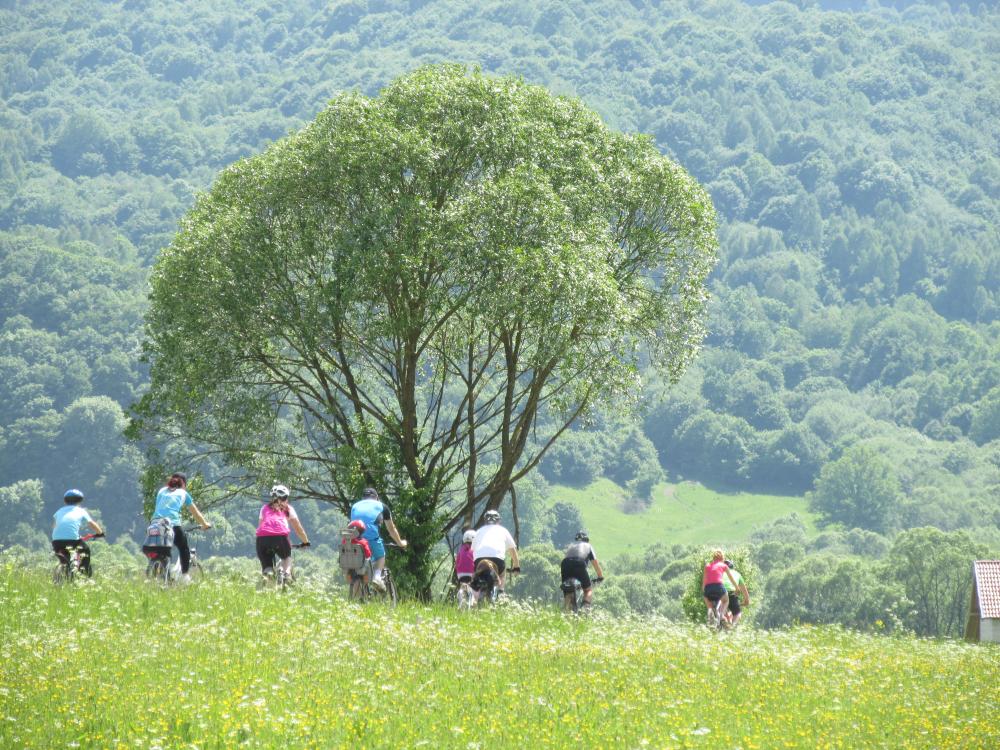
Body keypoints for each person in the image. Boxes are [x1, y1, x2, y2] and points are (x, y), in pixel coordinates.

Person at [150, 472, 211, 584]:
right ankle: (185, 576)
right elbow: (196, 513)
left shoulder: (161, 491)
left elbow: (159, 508)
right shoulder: (183, 493)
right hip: (172, 524)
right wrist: (205, 524)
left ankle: (162, 576)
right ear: (183, 484)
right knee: (184, 548)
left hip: (155, 524)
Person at [350, 487, 407, 592]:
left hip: (354, 541)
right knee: (381, 556)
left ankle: (354, 599)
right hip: (371, 540)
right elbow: (391, 529)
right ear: (376, 497)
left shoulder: (355, 506)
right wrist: (400, 543)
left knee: (358, 571)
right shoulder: (382, 506)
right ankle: (377, 577)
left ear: (363, 498)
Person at [256, 484, 310, 583]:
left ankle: (267, 580)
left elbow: (260, 526)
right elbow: (298, 529)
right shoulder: (288, 509)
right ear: (281, 499)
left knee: (267, 567)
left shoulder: (264, 508)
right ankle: (286, 574)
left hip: (261, 539)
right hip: (280, 537)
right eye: (285, 498)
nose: (287, 500)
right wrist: (305, 542)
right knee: (286, 558)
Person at [52, 489, 104, 577]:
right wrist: (100, 533)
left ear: (65, 501)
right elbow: (91, 523)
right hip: (72, 540)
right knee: (85, 550)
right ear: (80, 501)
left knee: (64, 557)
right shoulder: (81, 511)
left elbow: (54, 526)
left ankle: (62, 571)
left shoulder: (59, 511)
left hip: (56, 541)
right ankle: (84, 574)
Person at [471, 509, 520, 596]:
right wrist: (516, 566)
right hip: (497, 560)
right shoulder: (503, 530)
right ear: (498, 521)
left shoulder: (478, 531)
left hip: (479, 561)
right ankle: (501, 591)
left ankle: (473, 598)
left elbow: (472, 550)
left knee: (476, 578)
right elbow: (512, 549)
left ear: (485, 520)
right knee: (502, 573)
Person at [560, 530, 604, 610]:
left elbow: (568, 559)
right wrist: (600, 577)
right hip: (579, 563)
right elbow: (595, 563)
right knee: (588, 590)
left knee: (567, 589)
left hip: (565, 564)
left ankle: (567, 612)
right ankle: (584, 610)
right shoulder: (588, 546)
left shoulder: (571, 545)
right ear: (586, 540)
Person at [703, 548, 740, 626]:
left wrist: (705, 592)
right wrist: (737, 588)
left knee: (709, 604)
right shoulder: (724, 565)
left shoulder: (707, 566)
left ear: (713, 558)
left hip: (708, 589)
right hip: (718, 587)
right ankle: (722, 615)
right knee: (726, 600)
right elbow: (731, 578)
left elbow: (704, 583)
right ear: (722, 558)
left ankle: (710, 617)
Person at [723, 559, 750, 627]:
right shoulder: (737, 574)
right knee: (737, 613)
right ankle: (732, 626)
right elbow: (746, 597)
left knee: (723, 612)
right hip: (732, 593)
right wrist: (743, 603)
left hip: (719, 593)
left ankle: (725, 622)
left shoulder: (719, 573)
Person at [455, 529, 476, 607]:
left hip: (460, 574)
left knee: (463, 585)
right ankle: (472, 600)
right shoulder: (474, 549)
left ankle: (461, 594)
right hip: (471, 573)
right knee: (474, 587)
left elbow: (457, 563)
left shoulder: (461, 550)